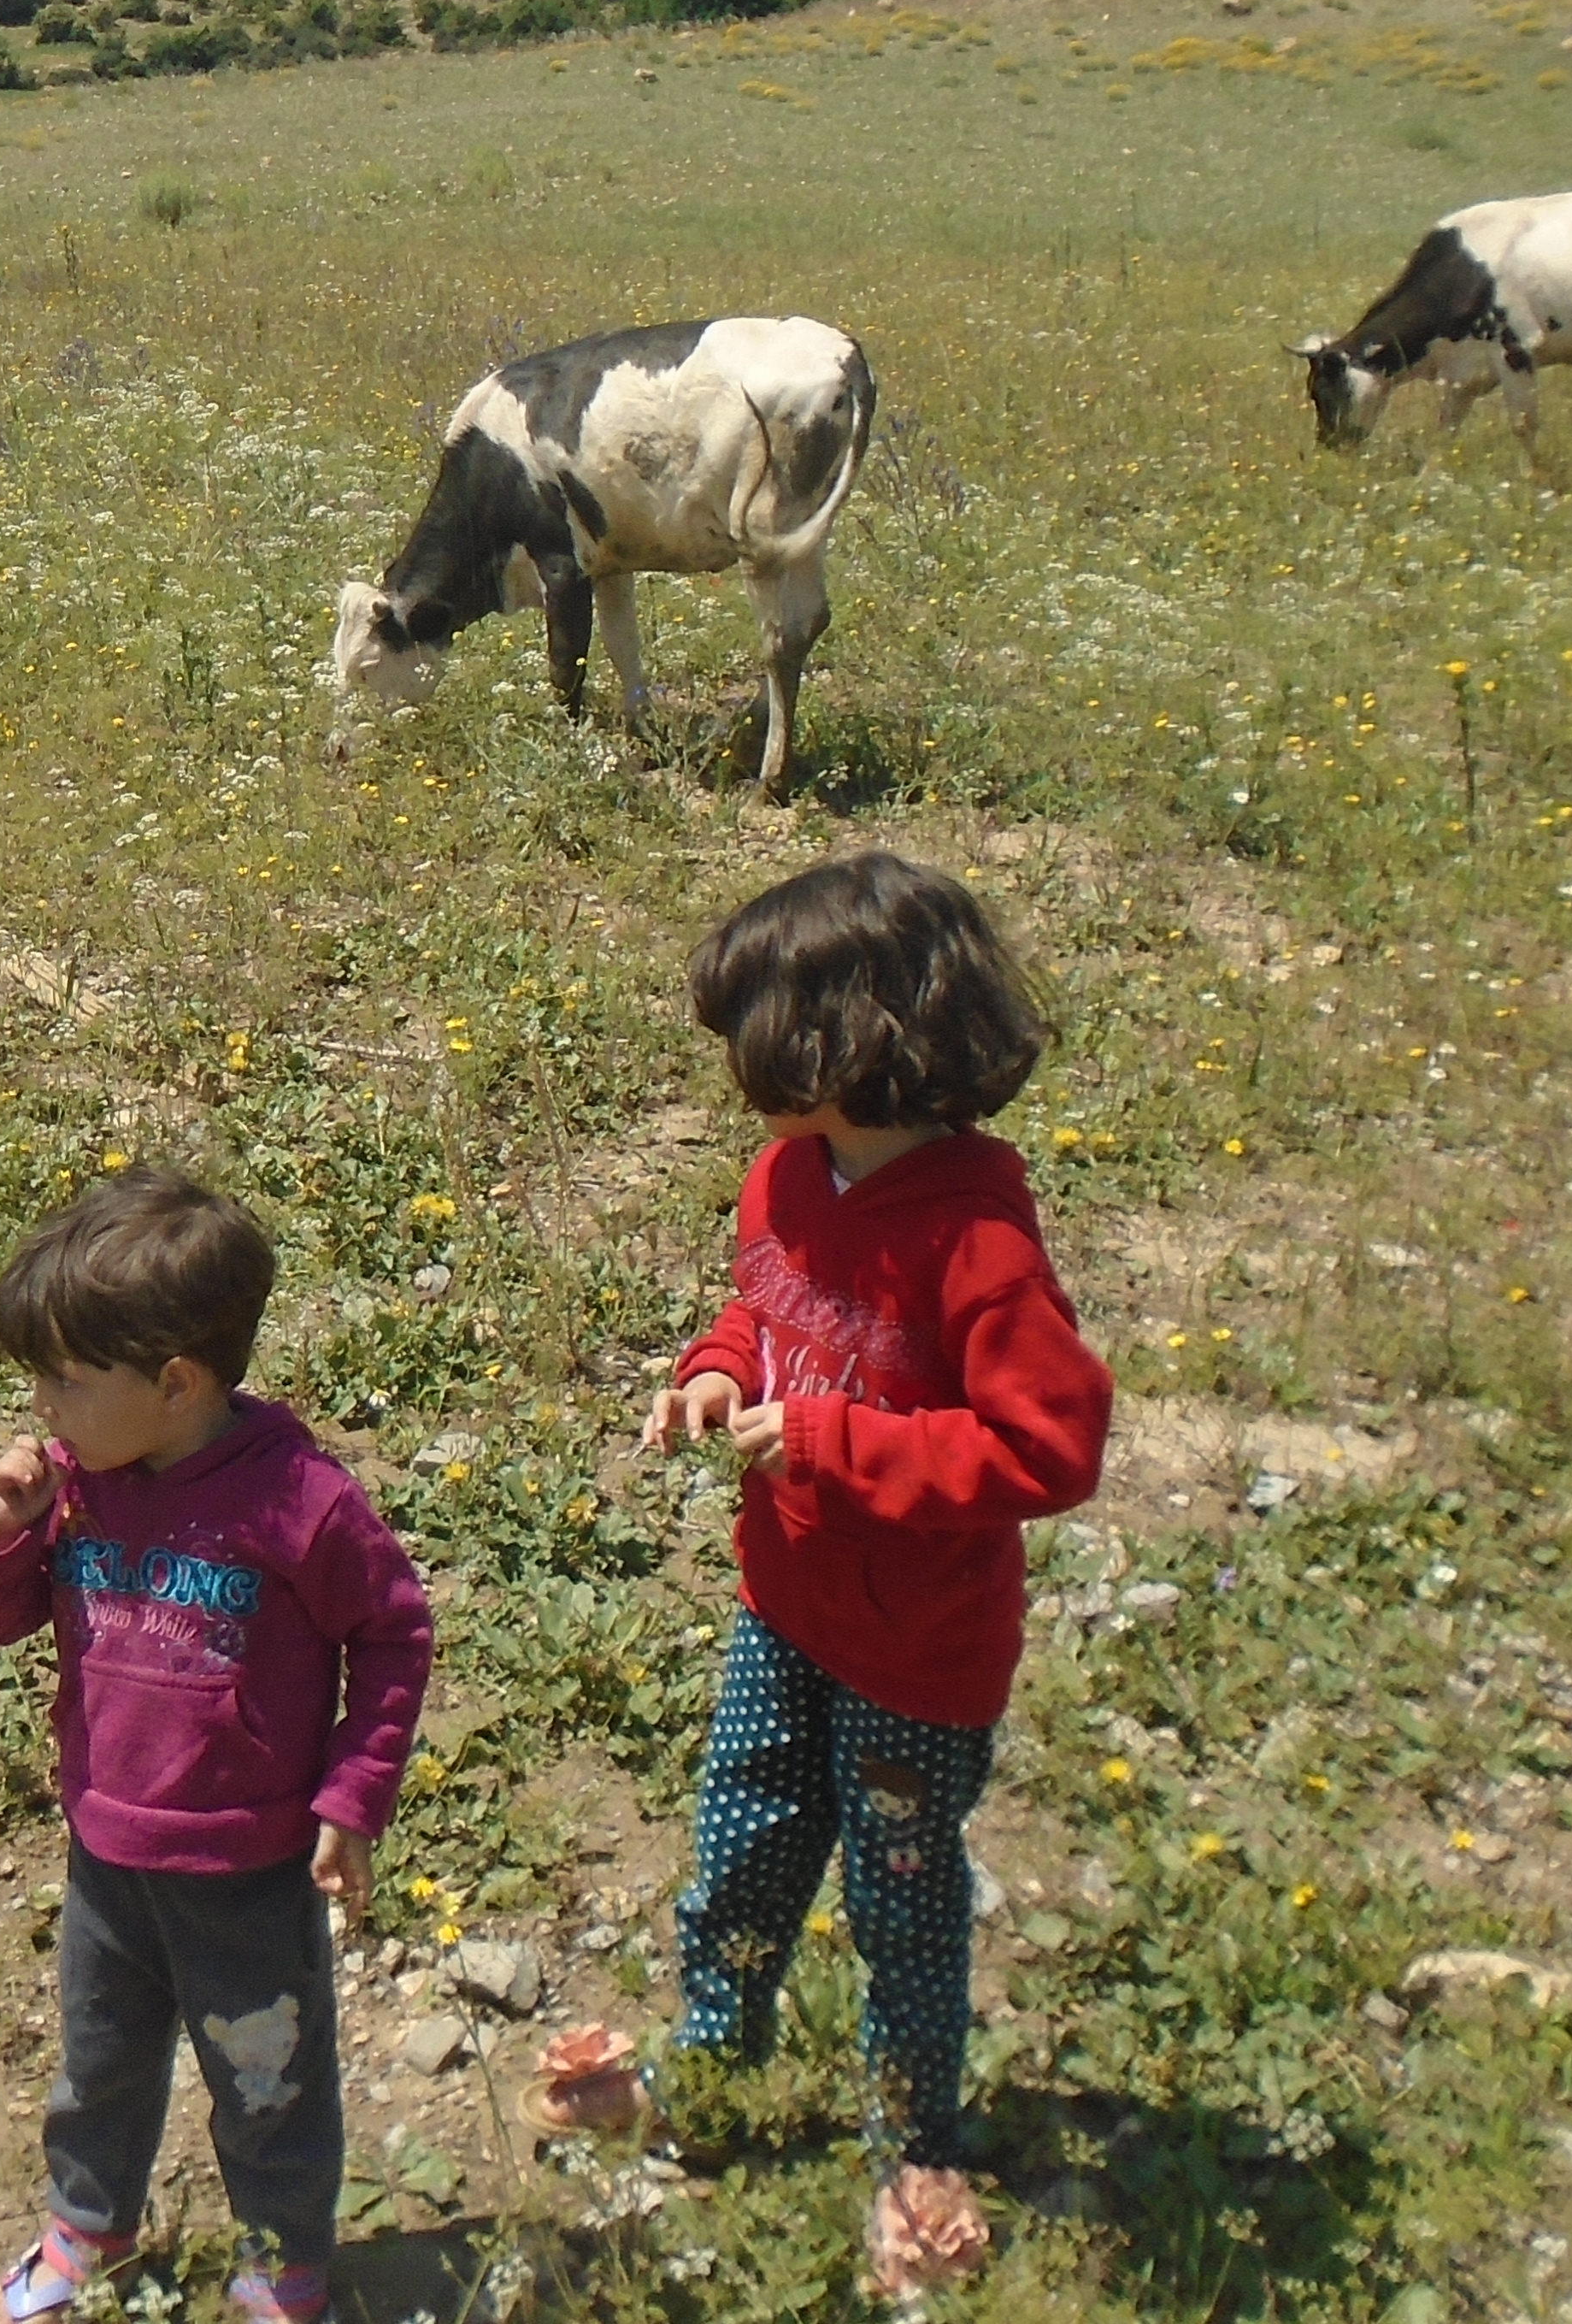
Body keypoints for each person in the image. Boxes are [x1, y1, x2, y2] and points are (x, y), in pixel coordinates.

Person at [528, 852, 1111, 2298]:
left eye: (749, 1030)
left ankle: (914, 2142)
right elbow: (760, 1307)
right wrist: (715, 1376)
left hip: (918, 1647)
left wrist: (843, 1442)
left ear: (843, 1042)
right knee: (743, 1837)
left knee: (902, 1897)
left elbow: (1049, 1445)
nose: (730, 1061)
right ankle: (715, 2043)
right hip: (782, 1604)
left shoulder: (973, 1232)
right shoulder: (793, 1171)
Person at [0, 1172, 433, 2324]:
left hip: (249, 1871)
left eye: (66, 1380)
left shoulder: (299, 1503)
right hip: (107, 1855)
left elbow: (394, 1634)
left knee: (267, 2079)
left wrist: (353, 1795)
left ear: (176, 1383)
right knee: (99, 2064)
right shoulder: (78, 1487)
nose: (44, 1404)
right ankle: (86, 2227)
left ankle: (281, 2263)